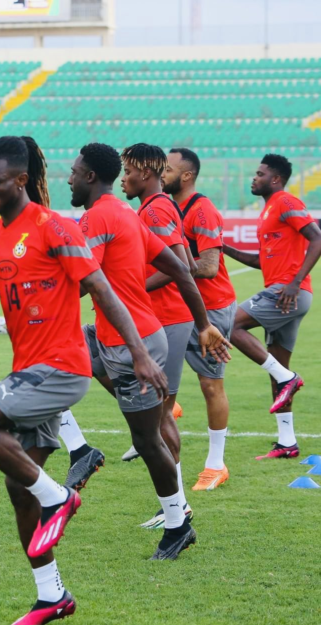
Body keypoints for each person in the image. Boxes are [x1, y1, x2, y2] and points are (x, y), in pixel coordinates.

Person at [0, 136, 158, 625]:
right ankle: (52, 596)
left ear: (20, 181)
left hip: (62, 367)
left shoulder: (54, 228)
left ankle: (60, 497)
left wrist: (137, 353)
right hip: (28, 369)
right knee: (17, 485)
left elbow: (101, 288)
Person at [62, 143, 231, 545]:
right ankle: (80, 450)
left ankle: (177, 520)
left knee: (150, 434)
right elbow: (180, 267)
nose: (68, 178)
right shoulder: (126, 212)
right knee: (46, 370)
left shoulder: (124, 214)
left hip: (137, 338)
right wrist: (203, 322)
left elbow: (87, 280)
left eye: (72, 171)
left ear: (88, 177)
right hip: (130, 334)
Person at [224, 154, 321, 460]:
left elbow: (318, 239)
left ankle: (288, 378)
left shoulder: (285, 201)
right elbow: (261, 261)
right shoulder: (268, 210)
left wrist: (295, 283)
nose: (253, 178)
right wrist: (224, 248)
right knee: (277, 371)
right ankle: (287, 442)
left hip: (286, 292)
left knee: (229, 324)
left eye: (259, 173)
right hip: (285, 294)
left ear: (276, 179)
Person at [163, 148, 237, 489]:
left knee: (211, 385)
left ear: (187, 175)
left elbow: (208, 266)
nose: (162, 173)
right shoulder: (166, 207)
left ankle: (216, 464)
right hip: (179, 308)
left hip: (212, 310)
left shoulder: (202, 210)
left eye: (168, 168)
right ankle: (168, 411)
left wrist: (173, 264)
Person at [117, 143, 193, 468]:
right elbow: (188, 258)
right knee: (160, 412)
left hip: (167, 318)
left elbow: (180, 265)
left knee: (162, 415)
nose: (123, 179)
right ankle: (175, 503)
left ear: (145, 173)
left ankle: (176, 505)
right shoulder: (158, 206)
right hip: (165, 317)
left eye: (128, 172)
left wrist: (131, 289)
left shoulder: (155, 209)